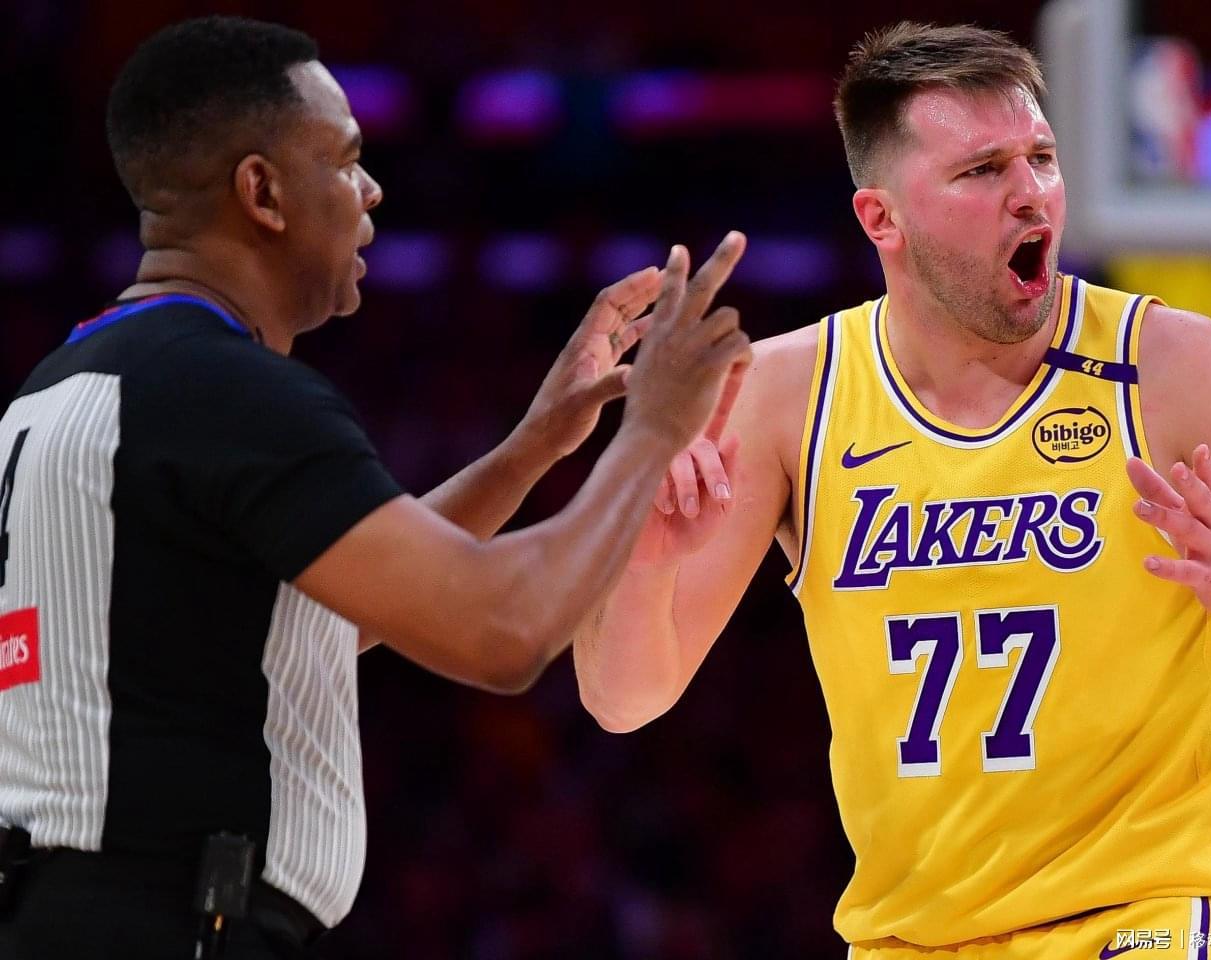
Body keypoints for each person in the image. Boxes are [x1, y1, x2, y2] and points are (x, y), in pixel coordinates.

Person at [0, 15, 751, 960]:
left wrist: (534, 447)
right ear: (262, 191)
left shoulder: (61, 388)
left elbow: (310, 623)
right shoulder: (224, 392)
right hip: (169, 924)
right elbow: (504, 630)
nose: (371, 189)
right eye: (347, 160)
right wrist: (653, 434)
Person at [573, 20, 1211, 958]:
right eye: (983, 170)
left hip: (1152, 917)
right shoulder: (786, 396)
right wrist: (645, 556)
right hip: (914, 940)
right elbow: (625, 700)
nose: (1030, 193)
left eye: (1041, 159)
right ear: (882, 220)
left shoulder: (1181, 368)